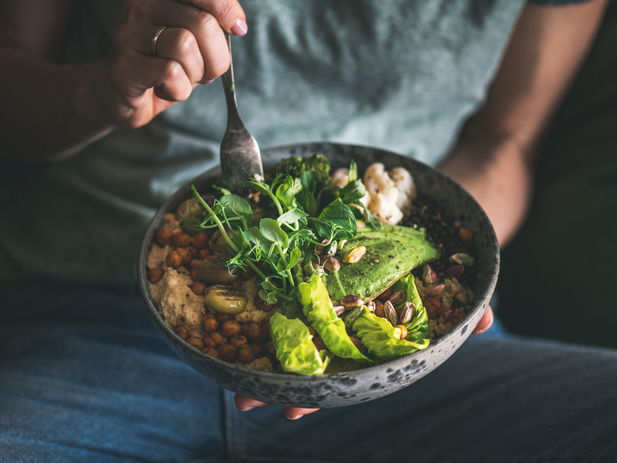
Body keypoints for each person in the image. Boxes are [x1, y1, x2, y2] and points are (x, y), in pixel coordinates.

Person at [1, 0, 616, 461]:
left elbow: (506, 141)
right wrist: (98, 92)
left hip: (415, 374)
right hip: (85, 320)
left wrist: (450, 274)